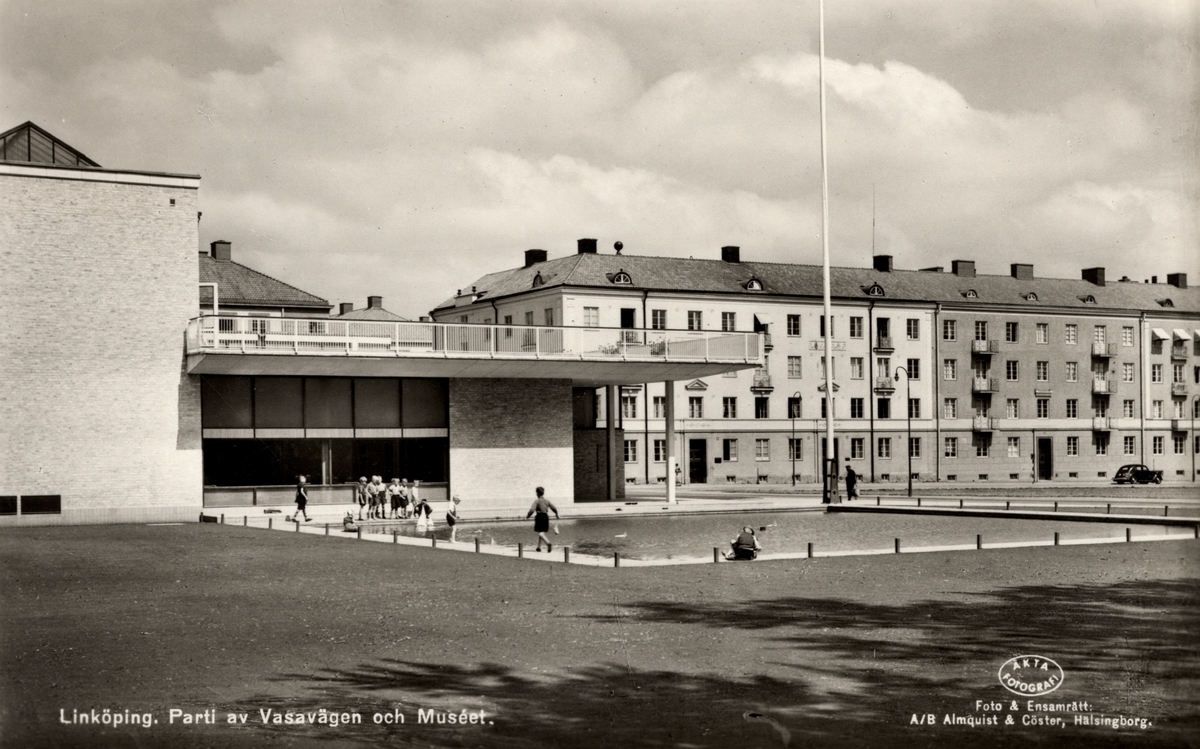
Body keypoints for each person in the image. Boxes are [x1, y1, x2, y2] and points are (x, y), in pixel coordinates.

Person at [525, 486, 559, 552]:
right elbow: (553, 508)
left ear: (537, 493)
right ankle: (539, 547)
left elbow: (532, 510)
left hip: (539, 517)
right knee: (541, 532)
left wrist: (527, 516)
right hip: (546, 517)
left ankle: (548, 543)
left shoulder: (537, 501)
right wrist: (556, 514)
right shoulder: (547, 501)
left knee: (540, 533)